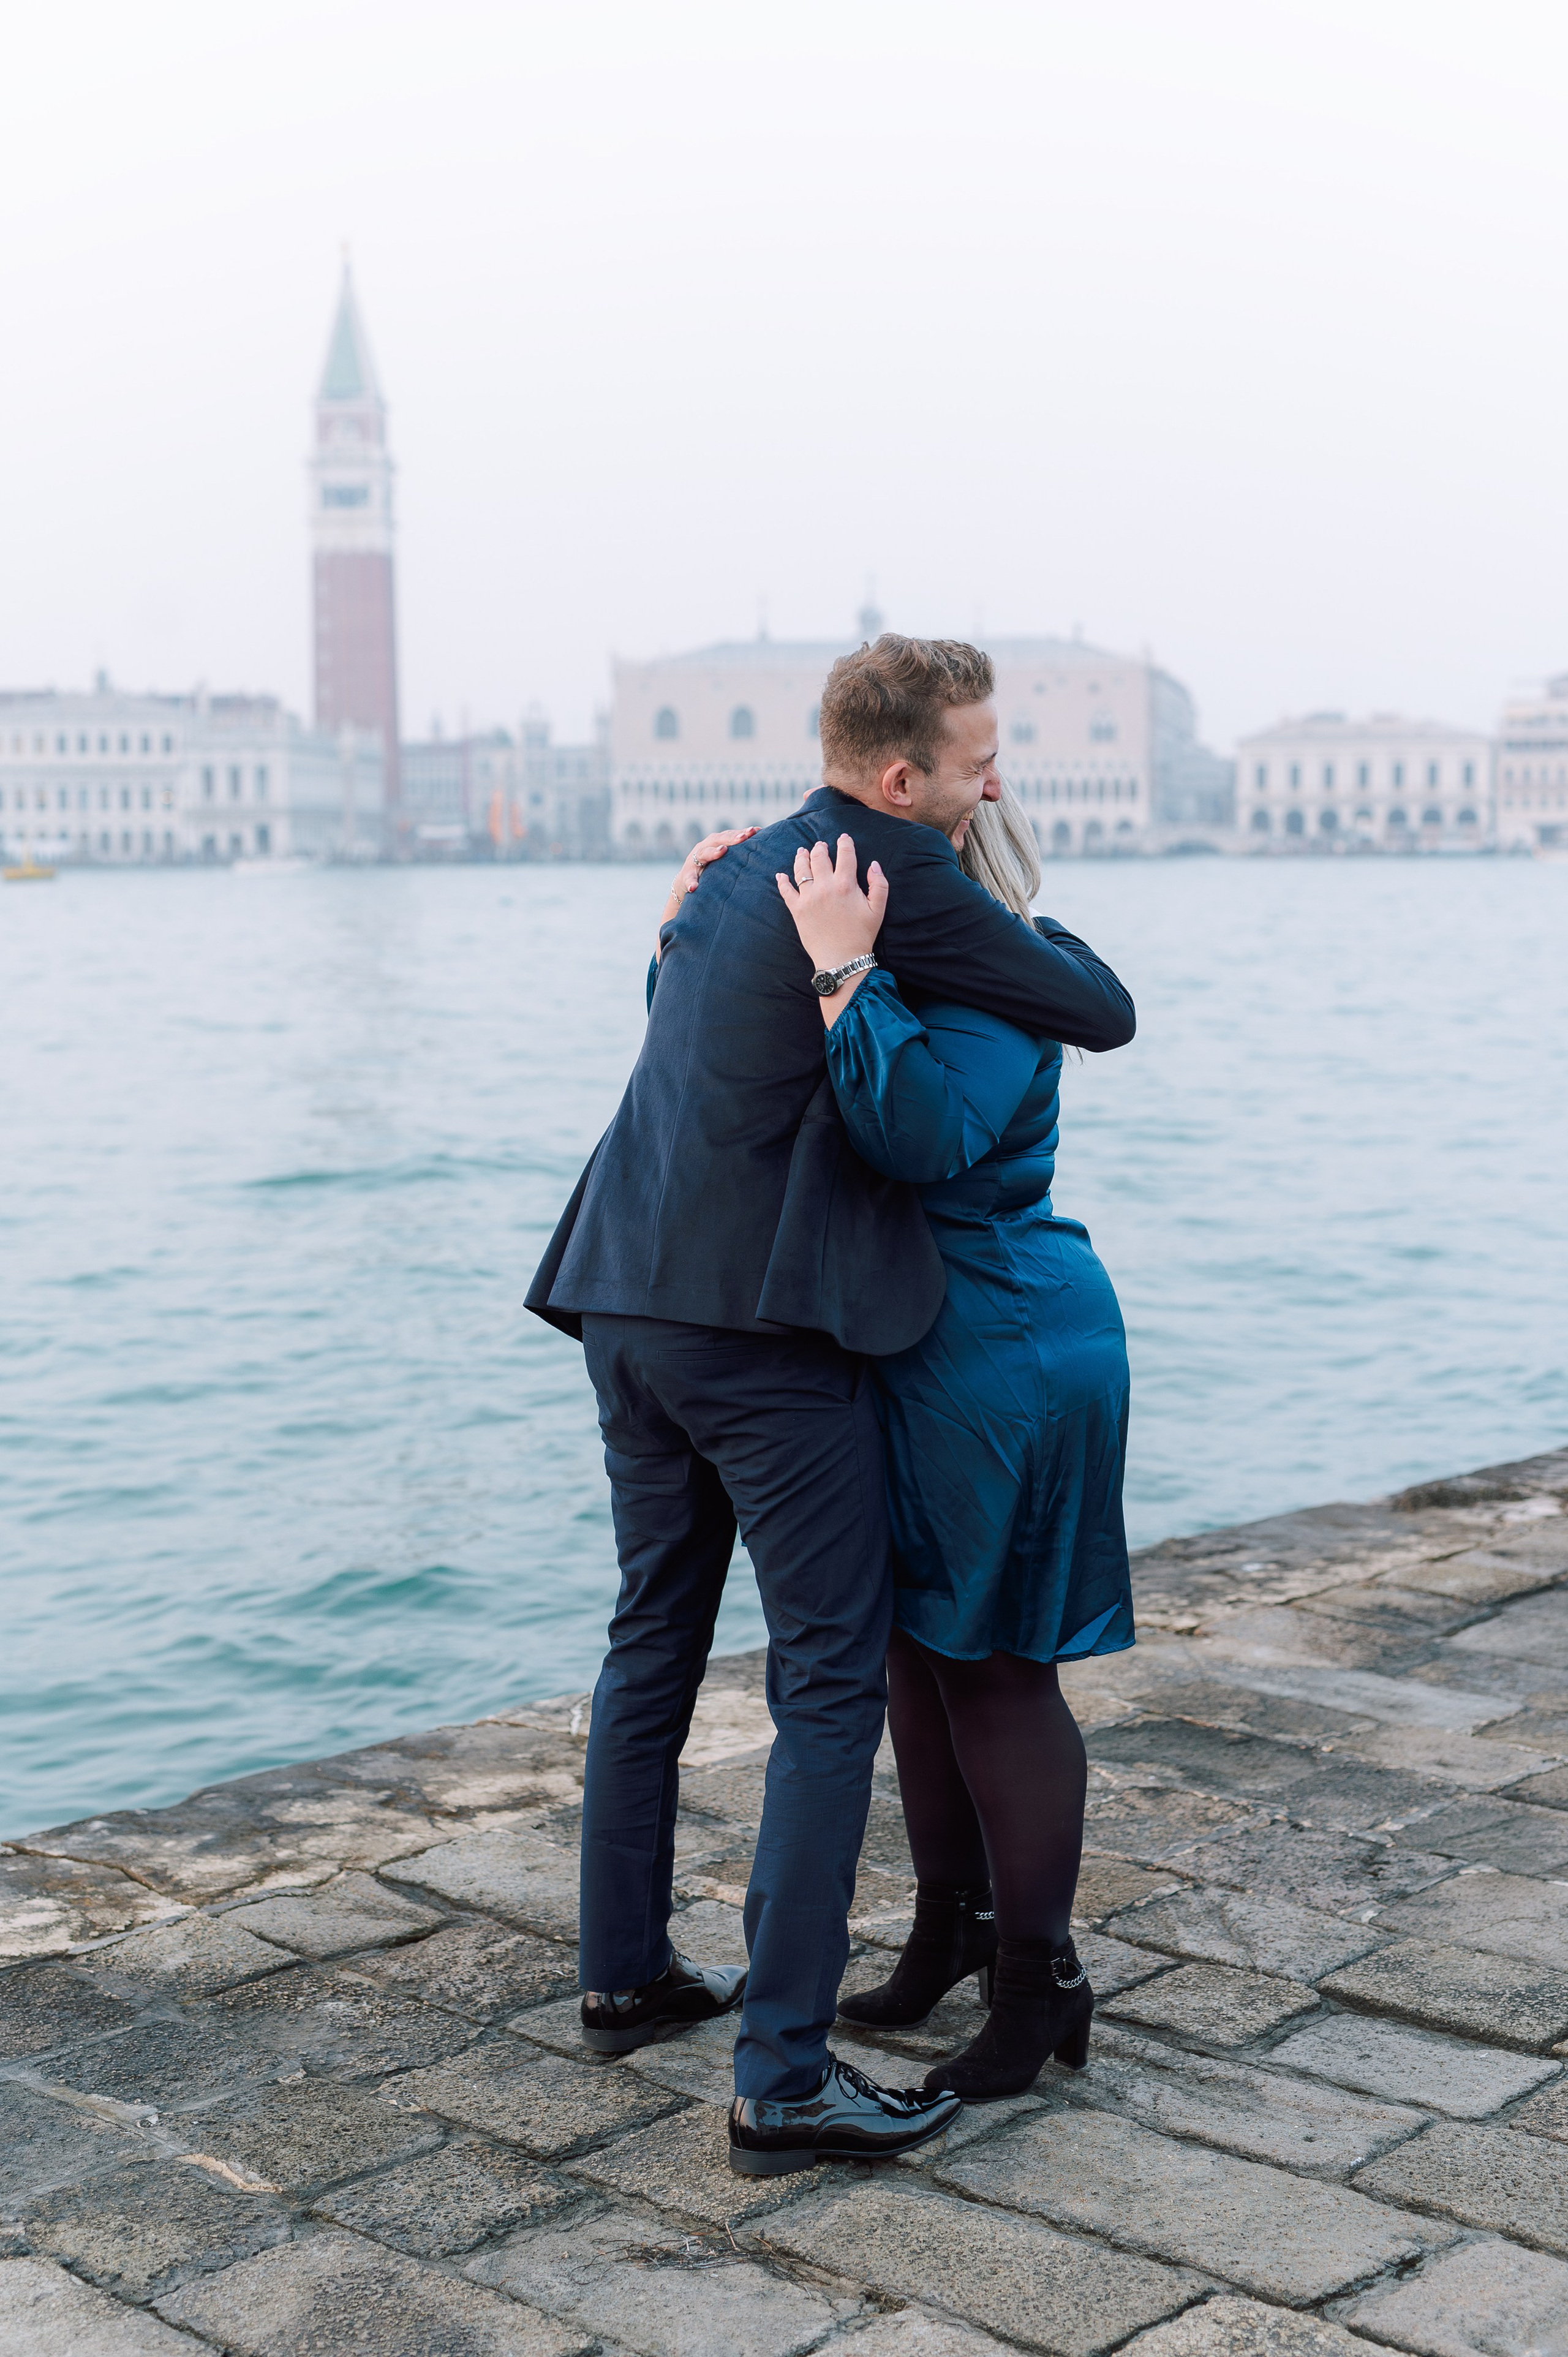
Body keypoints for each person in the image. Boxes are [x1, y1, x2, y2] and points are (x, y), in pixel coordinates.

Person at [526, 635, 1134, 2176]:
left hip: (618, 1300)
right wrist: (875, 962)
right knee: (825, 1683)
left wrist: (669, 931)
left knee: (652, 1632)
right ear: (897, 777)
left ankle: (621, 1976)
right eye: (976, 753)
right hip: (753, 1336)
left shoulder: (734, 871)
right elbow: (1092, 1006)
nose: (993, 774)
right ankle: (782, 2079)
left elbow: (705, 1031)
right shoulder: (891, 870)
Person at [773, 793, 1134, 2099]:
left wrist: (843, 970)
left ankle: (1038, 1983)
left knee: (992, 1670)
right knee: (909, 1656)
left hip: (1010, 1348)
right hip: (919, 1350)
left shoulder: (998, 982)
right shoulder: (910, 973)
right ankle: (949, 1929)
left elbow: (921, 1138)